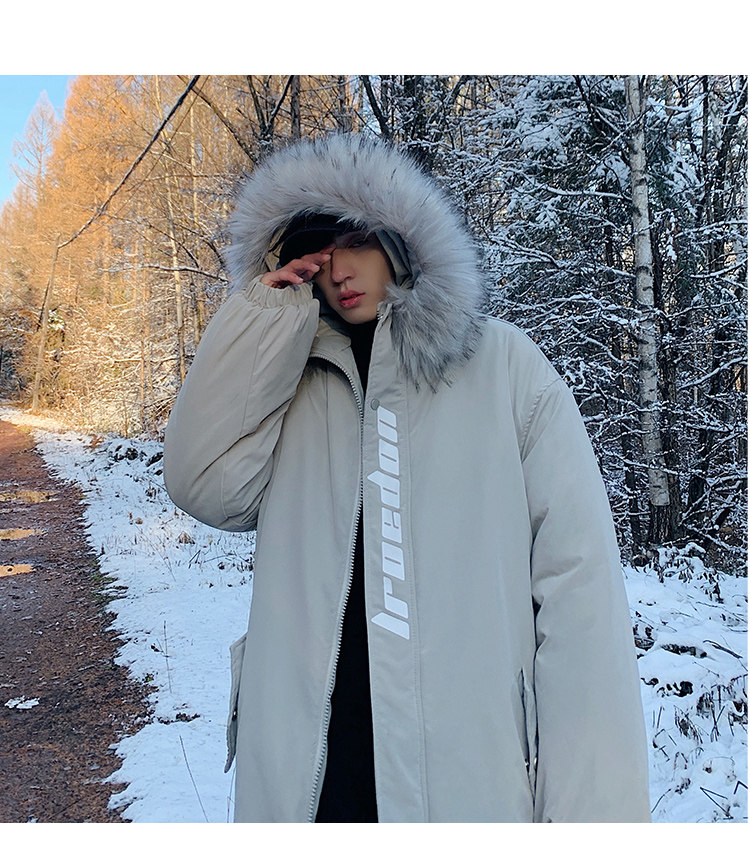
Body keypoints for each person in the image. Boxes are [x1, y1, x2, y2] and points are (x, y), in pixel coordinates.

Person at [163, 133, 651, 823]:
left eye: (355, 239)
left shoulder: (505, 370)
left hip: (466, 785)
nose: (339, 270)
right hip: (308, 784)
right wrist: (262, 326)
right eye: (317, 251)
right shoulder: (288, 383)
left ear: (400, 238)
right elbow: (202, 482)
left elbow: (581, 596)